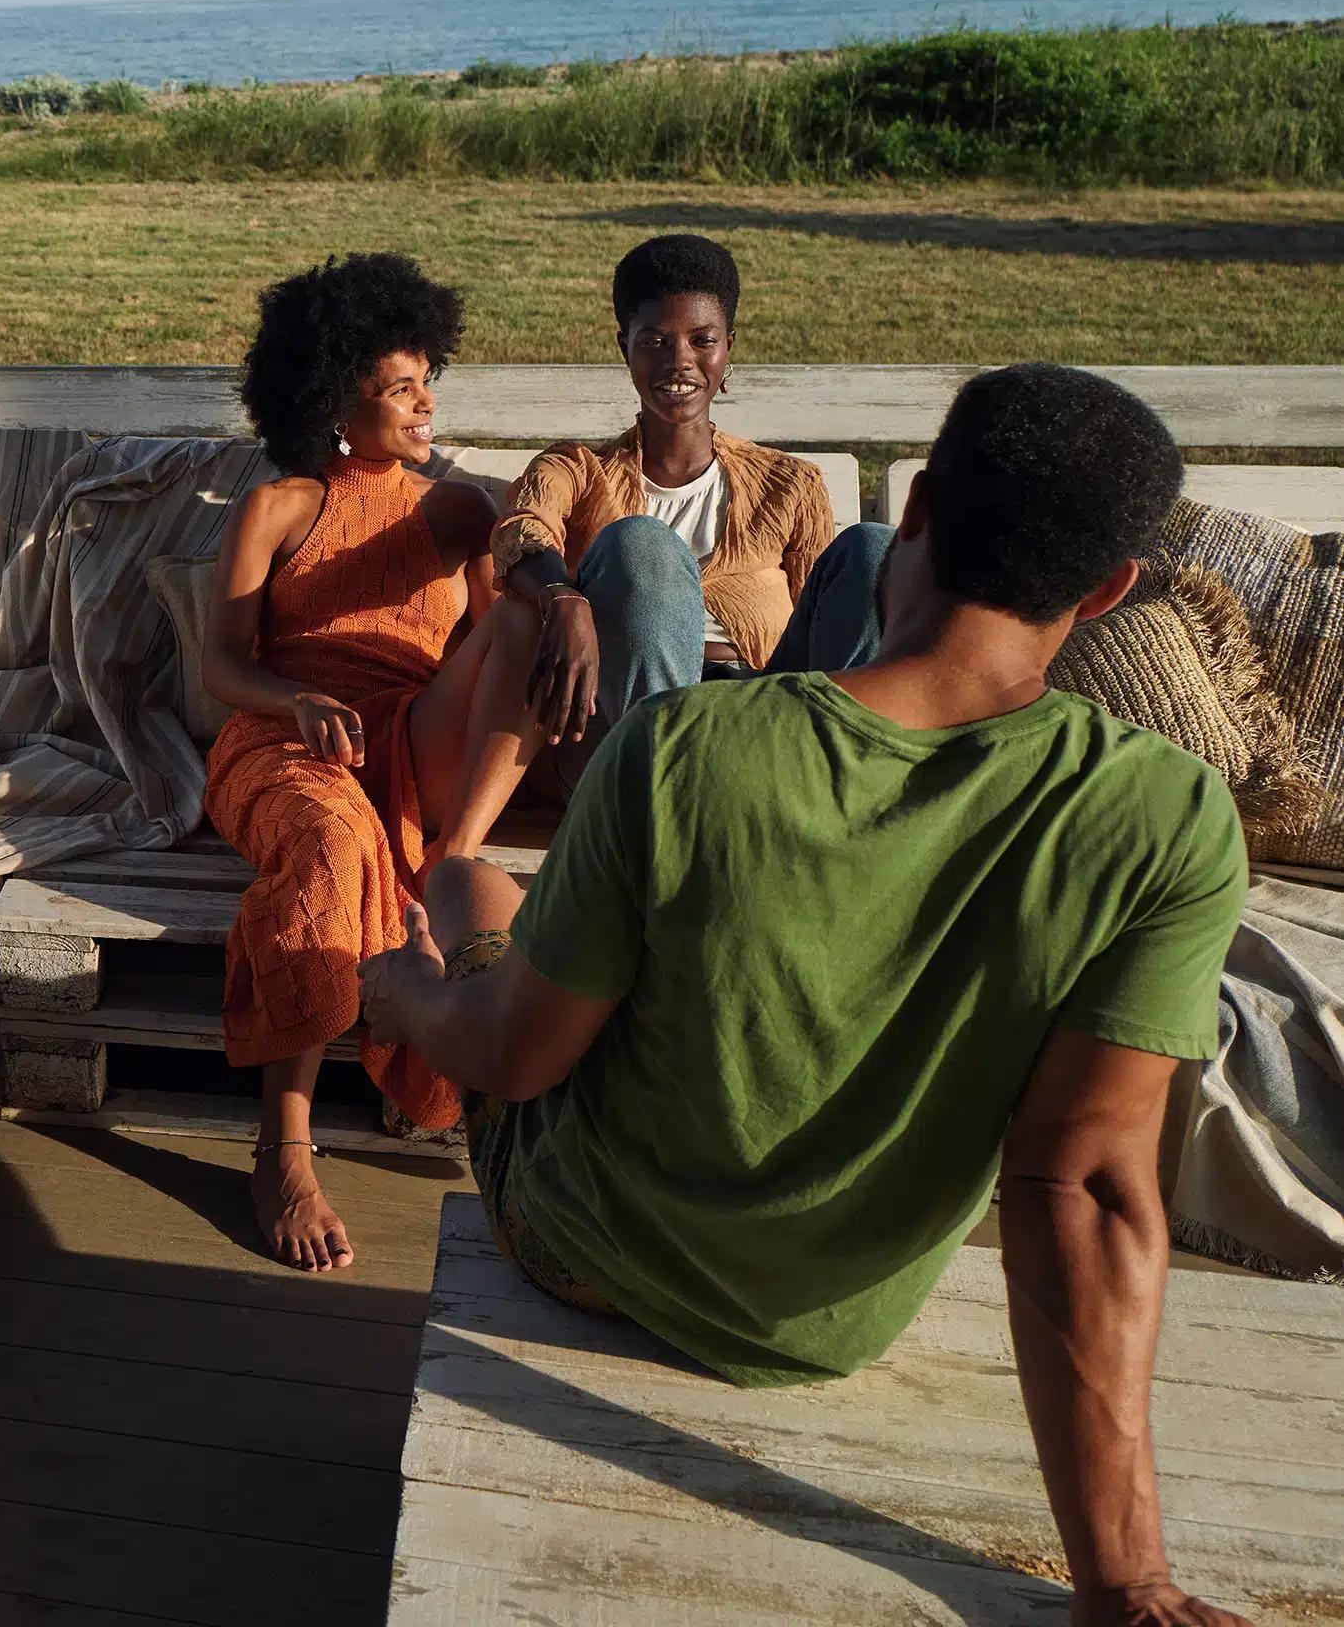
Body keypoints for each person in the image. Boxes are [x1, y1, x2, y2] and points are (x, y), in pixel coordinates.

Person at [361, 363, 1253, 1627]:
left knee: (468, 908)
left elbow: (510, 1062)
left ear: (923, 510)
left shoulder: (681, 750)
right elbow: (1089, 1181)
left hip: (590, 1253)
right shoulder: (1166, 818)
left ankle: (440, 910)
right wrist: (1128, 1580)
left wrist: (400, 1004)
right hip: (830, 1318)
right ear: (1106, 591)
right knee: (485, 913)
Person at [203, 254, 553, 1272]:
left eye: (426, 379)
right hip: (282, 739)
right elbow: (224, 663)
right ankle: (284, 1145)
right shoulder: (278, 509)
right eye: (400, 387)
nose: (425, 402)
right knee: (329, 842)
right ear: (336, 396)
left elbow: (500, 660)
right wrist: (297, 697)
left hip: (411, 736)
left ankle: (455, 854)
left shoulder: (457, 513)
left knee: (532, 609)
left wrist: (556, 597)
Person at [480, 233, 833, 803]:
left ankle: (840, 791)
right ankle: (670, 809)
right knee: (643, 543)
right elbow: (524, 531)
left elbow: (826, 623)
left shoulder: (789, 485)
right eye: (655, 341)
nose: (679, 363)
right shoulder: (577, 468)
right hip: (621, 733)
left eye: (702, 340)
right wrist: (564, 598)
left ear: (729, 348)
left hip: (755, 719)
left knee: (867, 549)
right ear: (625, 347)